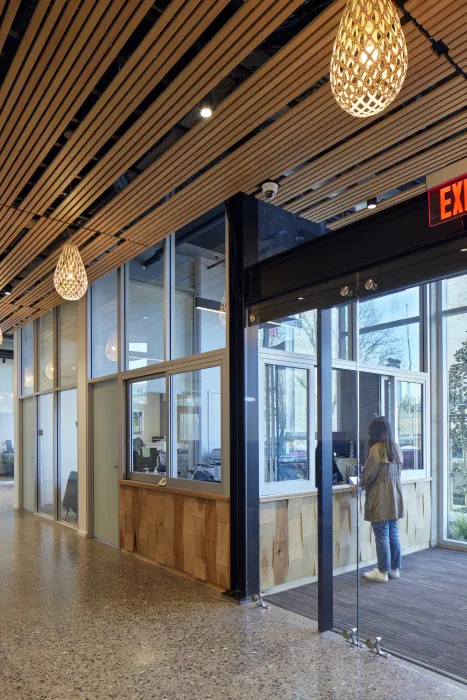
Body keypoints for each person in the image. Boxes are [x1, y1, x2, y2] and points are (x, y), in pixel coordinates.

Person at [353, 416, 404, 583]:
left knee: (381, 534)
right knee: (393, 533)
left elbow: (369, 475)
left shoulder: (376, 449)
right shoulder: (395, 447)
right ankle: (394, 569)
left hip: (381, 495)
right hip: (395, 495)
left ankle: (382, 571)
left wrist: (358, 484)